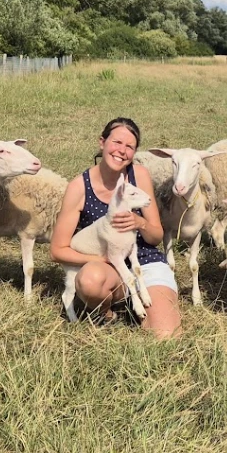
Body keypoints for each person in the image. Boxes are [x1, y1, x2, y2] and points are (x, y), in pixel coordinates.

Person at [50, 118, 181, 338]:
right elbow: (57, 250)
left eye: (129, 146)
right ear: (102, 142)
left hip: (144, 263)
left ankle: (141, 304)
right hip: (107, 266)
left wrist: (140, 222)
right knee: (90, 280)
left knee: (166, 335)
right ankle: (108, 313)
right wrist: (101, 259)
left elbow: (156, 236)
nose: (122, 150)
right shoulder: (79, 187)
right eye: (117, 142)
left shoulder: (139, 175)